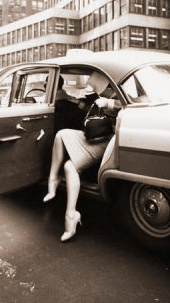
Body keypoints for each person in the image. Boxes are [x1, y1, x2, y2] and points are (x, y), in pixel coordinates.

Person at [43, 71, 121, 242]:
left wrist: (110, 103)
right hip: (95, 137)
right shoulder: (101, 96)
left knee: (69, 167)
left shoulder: (119, 96)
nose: (99, 93)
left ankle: (70, 216)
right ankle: (53, 180)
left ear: (108, 87)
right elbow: (89, 110)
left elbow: (136, 105)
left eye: (100, 90)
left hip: (108, 141)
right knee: (61, 135)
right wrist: (82, 104)